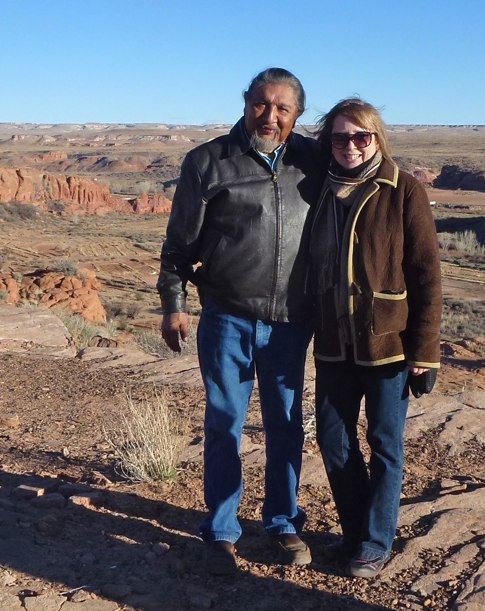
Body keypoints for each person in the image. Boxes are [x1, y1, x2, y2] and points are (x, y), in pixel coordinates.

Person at [157, 67, 322, 575]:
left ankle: (283, 522)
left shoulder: (314, 160)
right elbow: (179, 243)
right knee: (225, 422)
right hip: (227, 316)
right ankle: (223, 528)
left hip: (292, 321)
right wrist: (173, 302)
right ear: (246, 102)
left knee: (285, 424)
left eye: (282, 109)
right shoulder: (209, 161)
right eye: (261, 104)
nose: (269, 116)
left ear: (297, 114)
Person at [309, 98, 442, 578]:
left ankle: (375, 540)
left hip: (387, 342)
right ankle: (355, 531)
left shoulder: (402, 190)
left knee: (385, 444)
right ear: (330, 140)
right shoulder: (317, 188)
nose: (350, 146)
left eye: (361, 137)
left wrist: (425, 353)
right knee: (333, 439)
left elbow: (426, 275)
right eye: (341, 137)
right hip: (332, 342)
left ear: (377, 140)